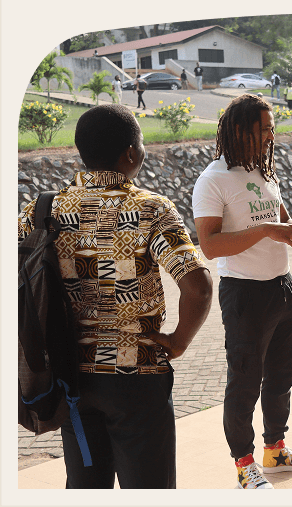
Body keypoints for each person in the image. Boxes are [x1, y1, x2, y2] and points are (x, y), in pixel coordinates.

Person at [17, 104, 213, 488]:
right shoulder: (149, 209)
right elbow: (198, 285)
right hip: (136, 375)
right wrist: (178, 340)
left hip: (68, 378)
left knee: (86, 486)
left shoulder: (40, 211)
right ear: (131, 153)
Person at [191, 94, 292, 490]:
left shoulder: (264, 171)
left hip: (283, 287)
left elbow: (280, 220)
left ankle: (276, 452)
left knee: (281, 377)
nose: (271, 135)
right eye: (264, 128)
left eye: (271, 128)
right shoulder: (213, 180)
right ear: (240, 130)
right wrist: (268, 230)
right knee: (245, 382)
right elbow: (210, 245)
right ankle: (244, 464)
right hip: (244, 295)